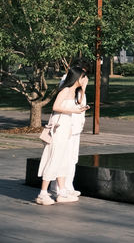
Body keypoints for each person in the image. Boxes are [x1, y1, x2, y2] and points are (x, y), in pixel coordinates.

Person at [35, 65, 90, 205]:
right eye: (83, 77)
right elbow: (55, 107)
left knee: (64, 160)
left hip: (67, 128)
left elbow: (78, 103)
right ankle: (42, 193)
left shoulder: (74, 92)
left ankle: (62, 192)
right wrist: (73, 111)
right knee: (54, 158)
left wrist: (82, 92)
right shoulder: (65, 90)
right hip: (59, 128)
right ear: (77, 78)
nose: (85, 79)